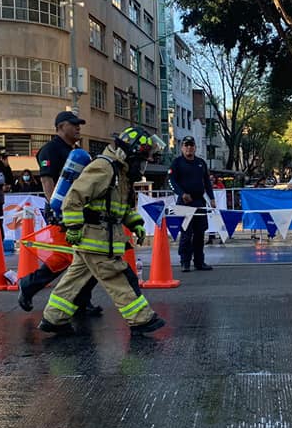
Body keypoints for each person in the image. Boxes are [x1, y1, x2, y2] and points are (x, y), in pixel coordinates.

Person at [39, 126, 167, 335]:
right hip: (96, 239)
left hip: (101, 238)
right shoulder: (104, 168)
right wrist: (73, 227)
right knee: (118, 278)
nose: (144, 164)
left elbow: (119, 208)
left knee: (74, 280)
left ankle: (53, 318)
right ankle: (141, 319)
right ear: (129, 152)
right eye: (142, 158)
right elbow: (73, 199)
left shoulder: (121, 173)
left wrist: (135, 223)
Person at [17, 111, 101, 318]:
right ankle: (29, 285)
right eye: (74, 124)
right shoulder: (50, 150)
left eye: (79, 124)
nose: (78, 128)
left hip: (78, 209)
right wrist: (57, 209)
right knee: (66, 256)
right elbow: (47, 181)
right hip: (61, 211)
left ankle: (82, 301)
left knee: (87, 256)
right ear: (61, 126)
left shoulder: (75, 151)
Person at [169, 136, 216, 272]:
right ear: (182, 147)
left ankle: (199, 262)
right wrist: (182, 193)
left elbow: (206, 182)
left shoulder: (201, 163)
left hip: (199, 202)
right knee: (186, 234)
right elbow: (172, 181)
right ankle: (185, 261)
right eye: (186, 145)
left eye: (191, 145)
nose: (189, 148)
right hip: (184, 203)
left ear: (195, 147)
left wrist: (211, 198)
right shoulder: (177, 163)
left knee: (200, 233)